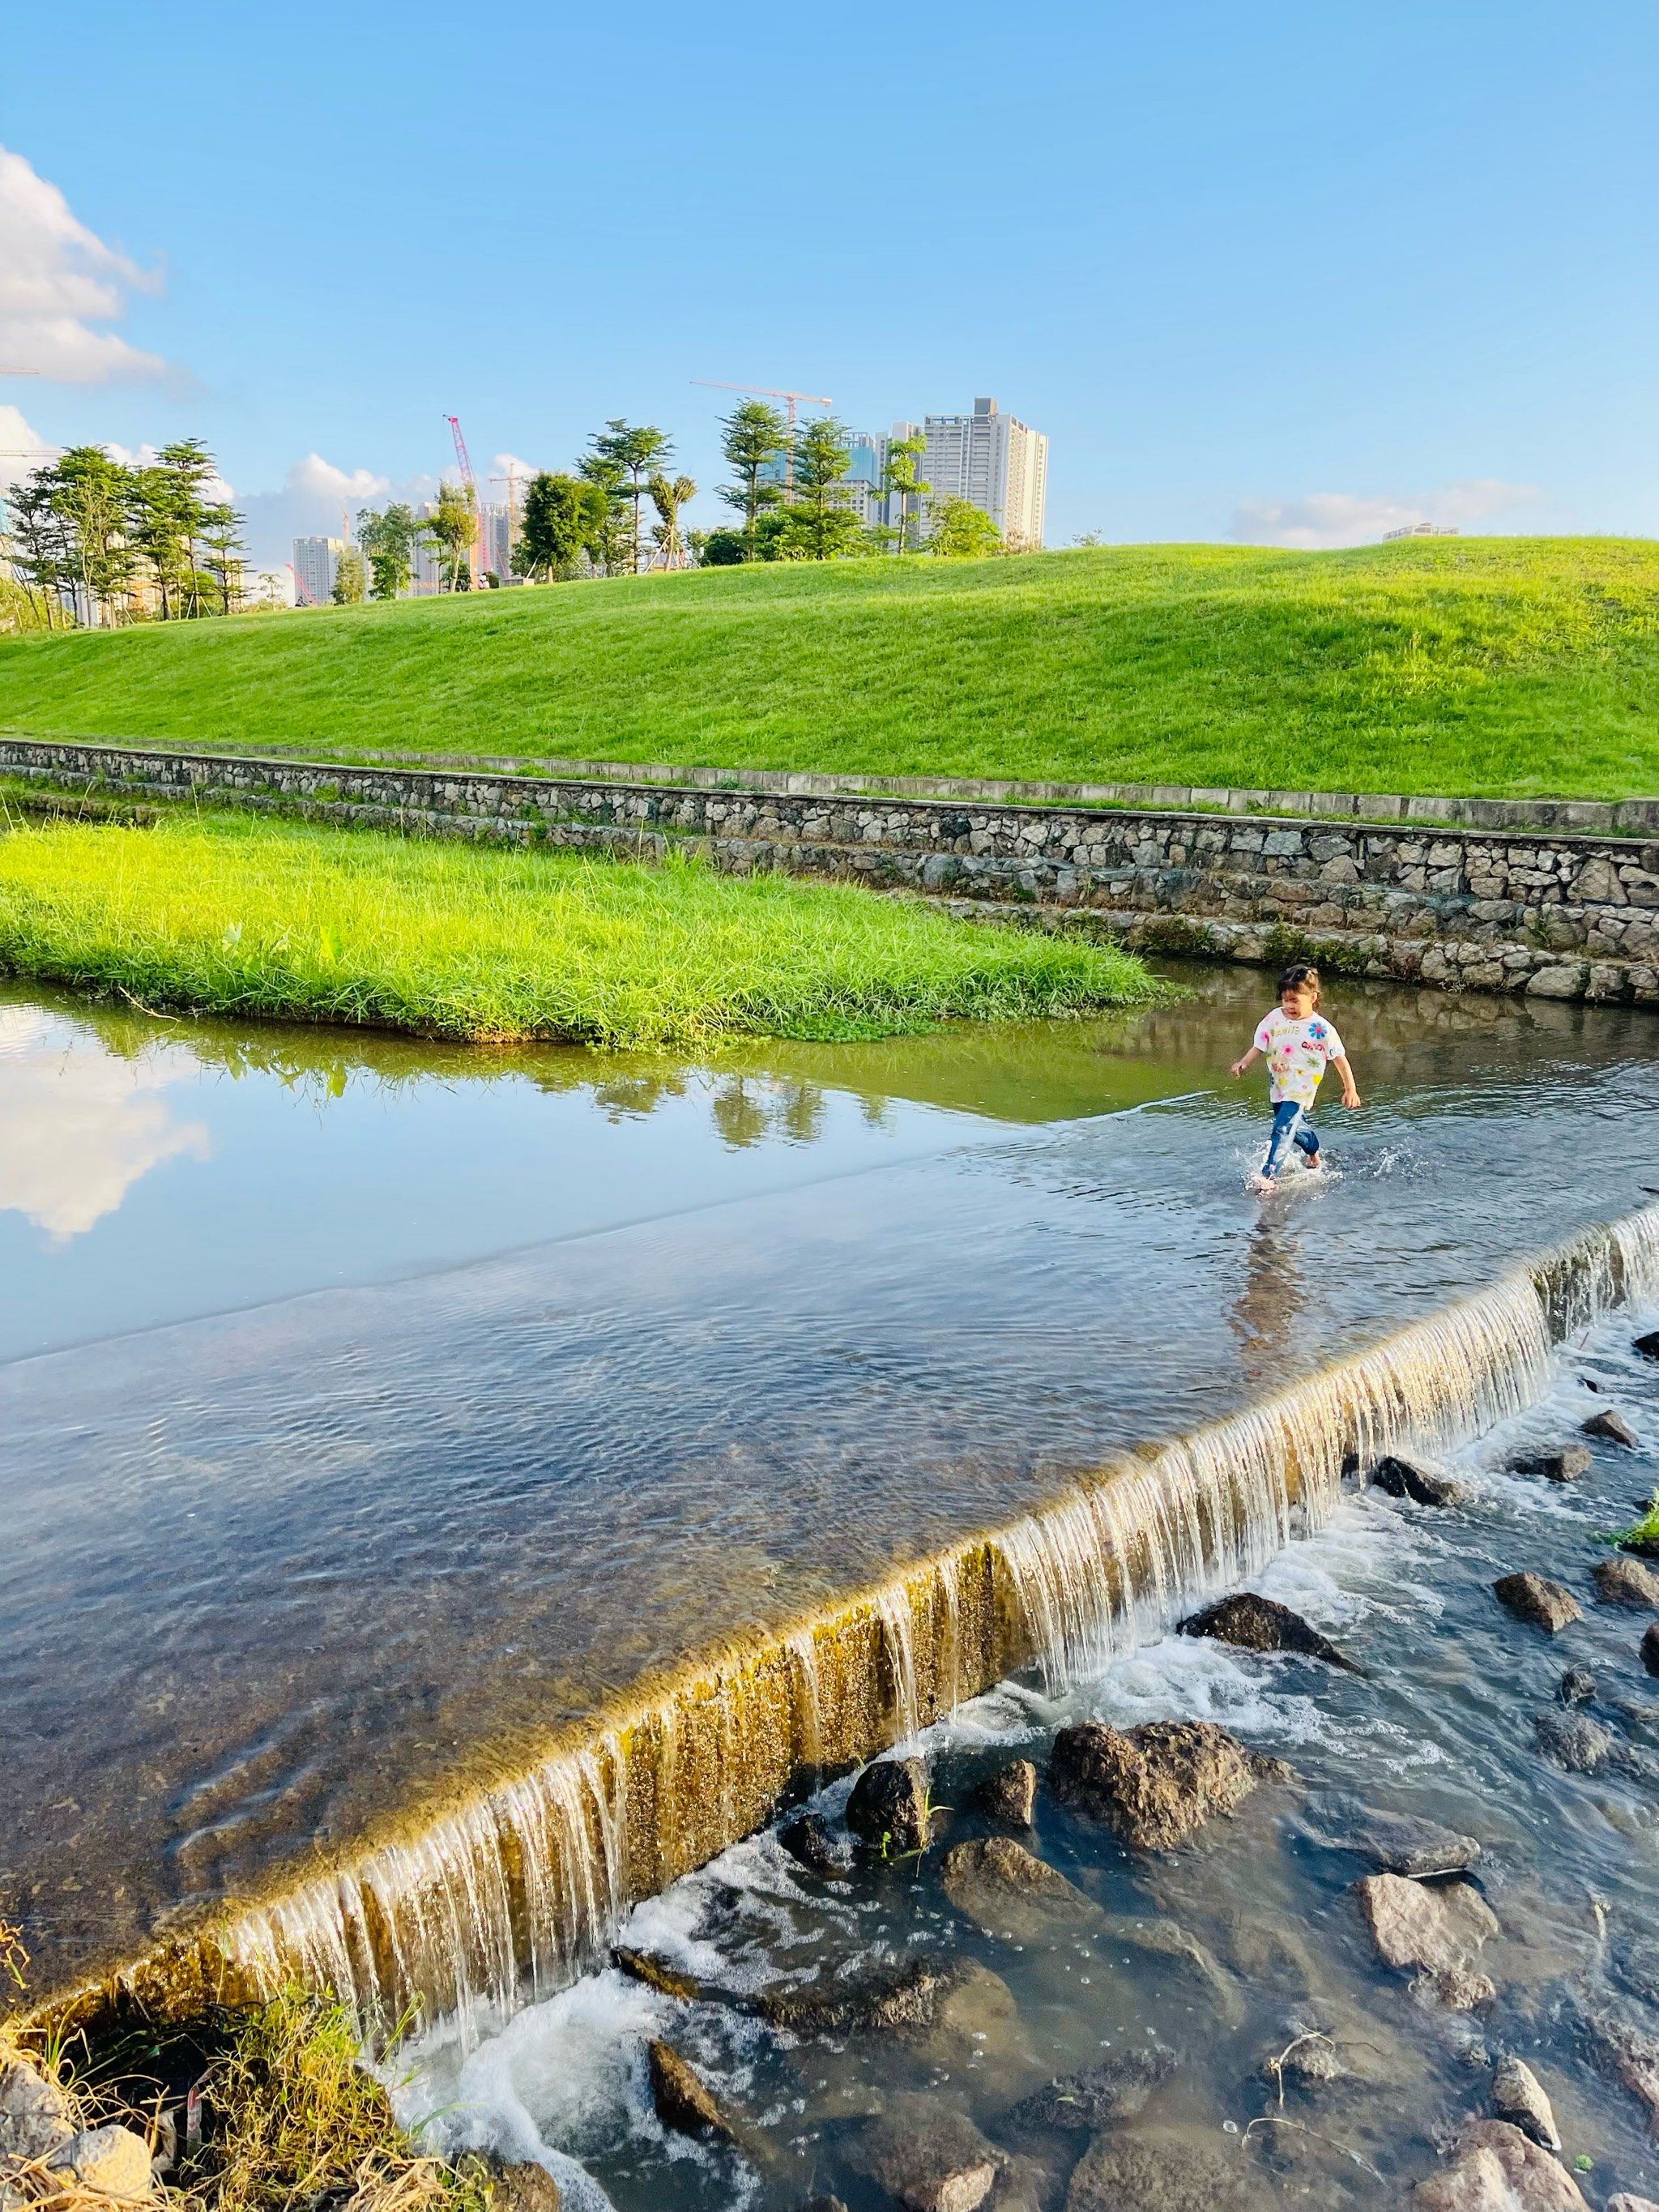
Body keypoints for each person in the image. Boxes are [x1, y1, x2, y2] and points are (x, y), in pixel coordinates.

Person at [1229, 963, 1362, 1192]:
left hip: (1302, 1087)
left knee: (1281, 1129)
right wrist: (1244, 1061)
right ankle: (1313, 1151)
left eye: (1294, 1000)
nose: (1288, 1006)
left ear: (1312, 997)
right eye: (1285, 1000)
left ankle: (1268, 1175)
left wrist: (1350, 1089)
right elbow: (1260, 1044)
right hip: (1279, 1083)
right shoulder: (1274, 1018)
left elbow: (1339, 1058)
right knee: (1294, 1127)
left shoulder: (1321, 1028)